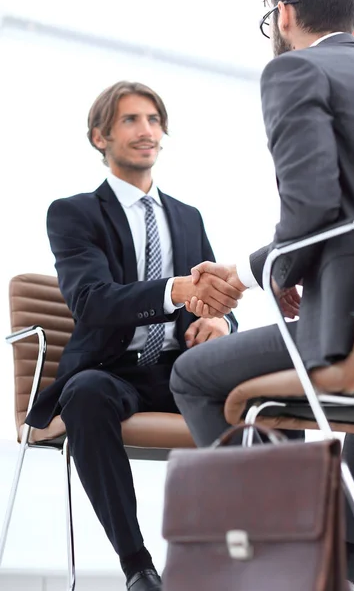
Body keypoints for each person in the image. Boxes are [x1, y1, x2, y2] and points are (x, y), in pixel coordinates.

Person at [169, 0, 354, 589]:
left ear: (286, 14)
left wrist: (249, 276)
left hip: (344, 332)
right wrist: (291, 270)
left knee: (193, 376)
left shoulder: (296, 68)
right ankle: (338, 568)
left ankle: (287, 564)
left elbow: (314, 210)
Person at [25, 81, 240, 591]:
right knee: (86, 395)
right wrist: (174, 290)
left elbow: (213, 298)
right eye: (130, 120)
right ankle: (138, 567)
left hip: (178, 371)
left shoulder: (188, 217)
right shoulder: (74, 213)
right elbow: (92, 301)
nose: (147, 131)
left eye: (154, 119)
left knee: (265, 394)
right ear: (100, 137)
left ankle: (271, 552)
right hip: (110, 371)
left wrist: (219, 322)